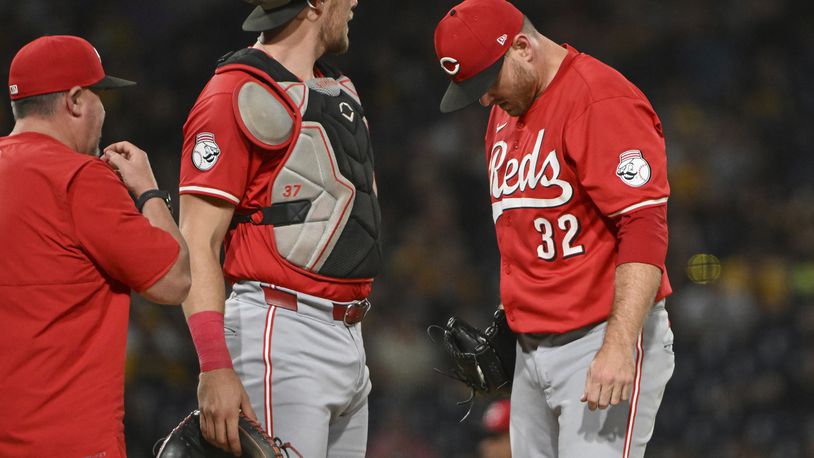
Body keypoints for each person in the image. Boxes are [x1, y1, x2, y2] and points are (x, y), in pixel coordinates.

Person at [433, 1, 675, 456]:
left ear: (522, 47)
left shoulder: (601, 99)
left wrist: (619, 346)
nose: (484, 98)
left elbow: (643, 225)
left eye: (487, 82)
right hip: (532, 350)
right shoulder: (506, 111)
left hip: (600, 340)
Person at [178, 0, 381, 456]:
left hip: (349, 336)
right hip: (279, 333)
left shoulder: (337, 89)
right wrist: (214, 367)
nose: (353, 2)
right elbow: (197, 241)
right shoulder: (234, 93)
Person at [0, 35, 191, 457]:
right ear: (74, 100)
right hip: (71, 443)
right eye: (100, 94)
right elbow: (174, 281)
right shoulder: (79, 177)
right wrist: (148, 191)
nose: (104, 109)